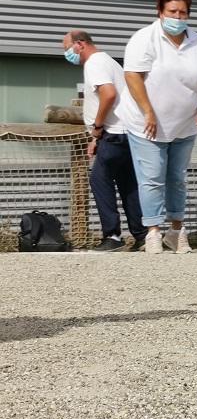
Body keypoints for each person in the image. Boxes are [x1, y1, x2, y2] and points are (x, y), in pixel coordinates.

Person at [117, 0, 197, 254]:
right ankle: (152, 233)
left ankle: (176, 231)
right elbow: (132, 76)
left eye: (182, 13)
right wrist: (148, 111)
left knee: (177, 178)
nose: (177, 17)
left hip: (184, 124)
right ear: (160, 12)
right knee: (152, 178)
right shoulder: (144, 38)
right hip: (146, 124)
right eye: (172, 12)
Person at [61, 30, 147, 252]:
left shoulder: (95, 63)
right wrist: (95, 137)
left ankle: (113, 236)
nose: (66, 54)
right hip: (127, 132)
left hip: (114, 133)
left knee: (99, 180)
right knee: (128, 184)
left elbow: (108, 94)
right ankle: (142, 235)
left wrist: (98, 127)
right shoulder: (109, 61)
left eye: (67, 48)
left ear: (79, 45)